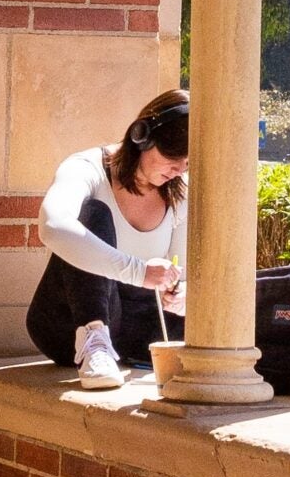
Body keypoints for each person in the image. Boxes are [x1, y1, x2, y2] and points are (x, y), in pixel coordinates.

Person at [28, 89, 189, 389]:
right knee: (93, 213)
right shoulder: (86, 168)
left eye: (188, 163)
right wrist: (139, 272)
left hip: (136, 323)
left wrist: (180, 293)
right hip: (63, 325)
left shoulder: (181, 190)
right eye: (173, 158)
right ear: (143, 137)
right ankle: (94, 340)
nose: (179, 170)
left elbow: (187, 273)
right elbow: (52, 225)